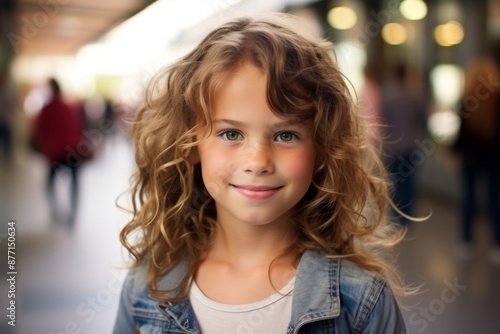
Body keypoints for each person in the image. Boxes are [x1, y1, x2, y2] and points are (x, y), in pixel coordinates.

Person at [113, 13, 408, 333]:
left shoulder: (363, 301)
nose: (258, 161)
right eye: (230, 134)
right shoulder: (144, 288)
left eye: (285, 135)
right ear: (191, 144)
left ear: (322, 148)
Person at [453, 56, 500, 265]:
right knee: (494, 202)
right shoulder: (497, 100)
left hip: (471, 159)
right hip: (494, 159)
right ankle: (496, 245)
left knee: (468, 200)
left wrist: (455, 153)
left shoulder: (467, 100)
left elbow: (461, 134)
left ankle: (466, 242)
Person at [32, 78, 83, 228]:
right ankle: (73, 213)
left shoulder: (47, 108)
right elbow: (79, 127)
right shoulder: (70, 107)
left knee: (50, 181)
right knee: (75, 181)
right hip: (72, 149)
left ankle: (55, 211)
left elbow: (39, 130)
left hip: (54, 151)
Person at [380, 64, 427, 226]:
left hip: (394, 148)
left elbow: (384, 122)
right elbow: (421, 119)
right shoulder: (413, 97)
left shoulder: (388, 98)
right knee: (409, 183)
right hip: (411, 146)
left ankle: (396, 215)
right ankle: (407, 216)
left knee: (395, 183)